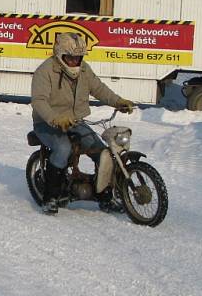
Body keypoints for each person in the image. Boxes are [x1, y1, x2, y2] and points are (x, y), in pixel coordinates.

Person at [31, 32, 135, 215]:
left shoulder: (84, 70)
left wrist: (118, 101)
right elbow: (39, 101)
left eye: (78, 58)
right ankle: (49, 198)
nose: (74, 62)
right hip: (47, 123)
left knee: (102, 152)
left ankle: (105, 197)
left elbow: (99, 89)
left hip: (75, 121)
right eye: (70, 58)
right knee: (63, 149)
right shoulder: (45, 70)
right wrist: (55, 118)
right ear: (59, 55)